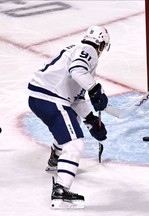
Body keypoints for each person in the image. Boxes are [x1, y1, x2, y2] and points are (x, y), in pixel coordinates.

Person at [27, 26, 110, 209]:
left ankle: (56, 158)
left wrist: (91, 120)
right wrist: (95, 90)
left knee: (73, 120)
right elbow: (77, 70)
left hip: (39, 98)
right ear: (101, 44)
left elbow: (75, 99)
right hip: (51, 98)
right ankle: (61, 190)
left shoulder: (75, 49)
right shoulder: (88, 50)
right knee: (75, 143)